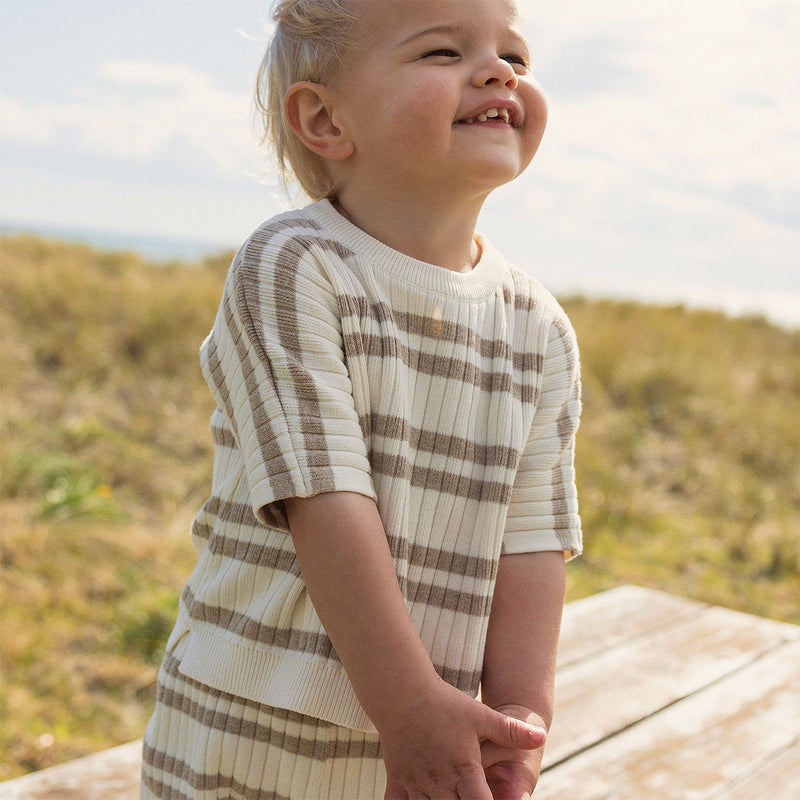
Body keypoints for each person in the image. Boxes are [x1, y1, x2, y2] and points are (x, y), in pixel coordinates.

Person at [141, 0, 582, 797]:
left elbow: (535, 540)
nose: (497, 72)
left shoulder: (540, 328)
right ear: (324, 119)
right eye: (443, 51)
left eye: (514, 56)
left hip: (436, 738)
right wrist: (405, 706)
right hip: (254, 721)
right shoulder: (294, 267)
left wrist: (518, 725)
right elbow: (323, 496)